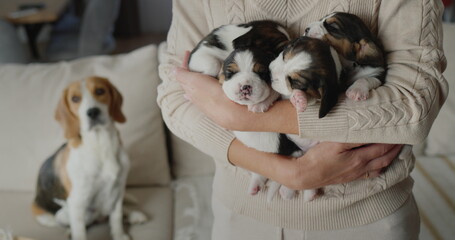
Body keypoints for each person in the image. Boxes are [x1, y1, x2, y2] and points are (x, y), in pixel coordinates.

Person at [157, 0, 448, 239]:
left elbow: (415, 106)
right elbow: (173, 97)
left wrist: (241, 116)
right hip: (242, 217)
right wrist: (289, 171)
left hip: (366, 220)